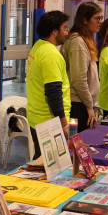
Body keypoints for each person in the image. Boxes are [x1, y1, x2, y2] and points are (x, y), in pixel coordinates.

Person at [26, 10, 71, 158]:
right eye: (64, 28)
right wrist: (64, 124)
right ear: (54, 31)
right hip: (49, 122)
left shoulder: (38, 46)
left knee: (41, 161)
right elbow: (53, 92)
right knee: (49, 166)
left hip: (37, 118)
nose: (66, 32)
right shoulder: (50, 54)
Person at [60, 2, 102, 132]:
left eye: (101, 18)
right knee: (75, 143)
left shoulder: (84, 39)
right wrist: (89, 107)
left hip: (82, 104)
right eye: (97, 18)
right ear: (84, 20)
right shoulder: (77, 42)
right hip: (77, 105)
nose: (100, 21)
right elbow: (79, 79)